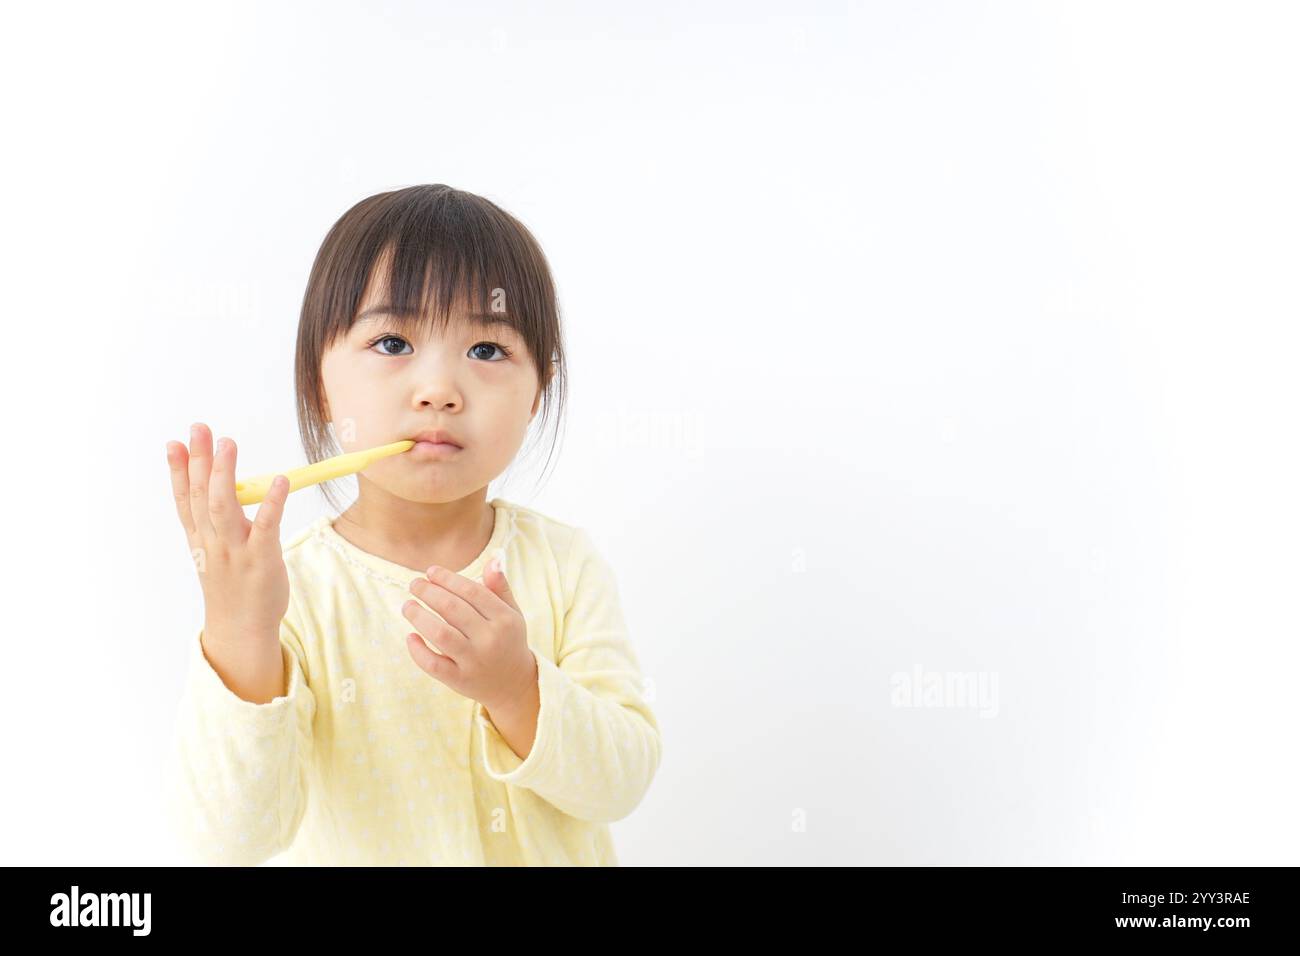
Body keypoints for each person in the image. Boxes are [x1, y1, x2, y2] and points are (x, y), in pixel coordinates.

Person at [162, 185, 661, 865]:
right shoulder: (293, 592)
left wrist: (518, 689)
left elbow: (621, 784)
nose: (439, 389)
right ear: (318, 384)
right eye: (393, 341)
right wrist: (240, 632)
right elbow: (235, 837)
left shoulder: (564, 564)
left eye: (487, 351)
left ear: (538, 389)